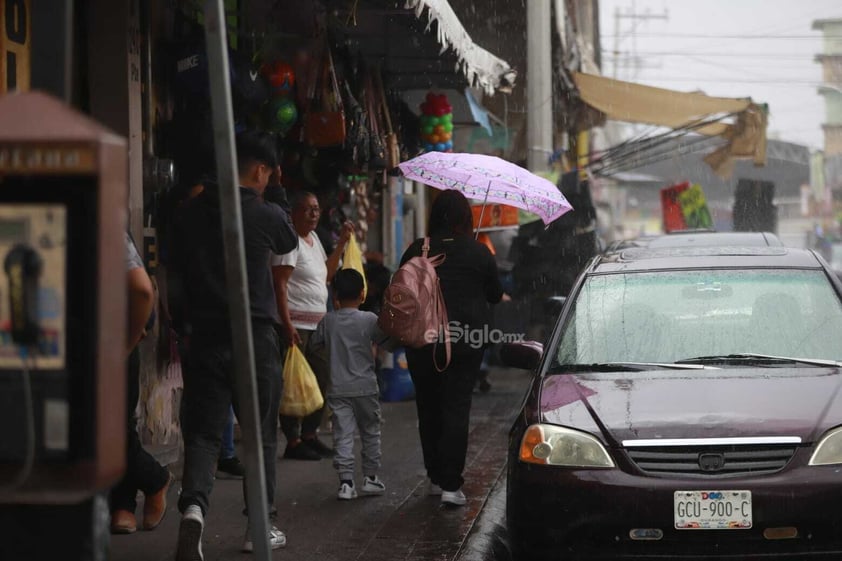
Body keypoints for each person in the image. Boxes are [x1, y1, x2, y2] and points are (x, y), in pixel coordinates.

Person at [171, 130, 298, 559]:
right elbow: (289, 240)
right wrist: (278, 191)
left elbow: (169, 276)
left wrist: (180, 326)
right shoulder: (264, 214)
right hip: (255, 337)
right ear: (260, 170)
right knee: (260, 435)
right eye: (267, 175)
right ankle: (258, 528)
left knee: (204, 435)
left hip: (204, 336)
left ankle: (192, 510)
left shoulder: (188, 213)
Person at [399, 190, 504, 507]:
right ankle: (450, 484)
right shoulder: (480, 253)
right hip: (465, 343)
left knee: (428, 407)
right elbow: (496, 295)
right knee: (456, 408)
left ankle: (434, 477)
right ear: (465, 218)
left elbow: (401, 288)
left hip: (421, 341)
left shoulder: (419, 249)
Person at [272, 191, 354, 461]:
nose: (313, 214)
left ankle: (309, 434)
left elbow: (327, 275)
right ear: (293, 213)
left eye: (316, 209)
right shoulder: (289, 241)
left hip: (318, 323)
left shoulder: (314, 239)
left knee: (322, 379)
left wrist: (341, 243)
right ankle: (293, 441)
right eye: (307, 209)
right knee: (295, 383)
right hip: (296, 325)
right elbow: (280, 284)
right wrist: (286, 324)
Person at [110, 232, 173, 534]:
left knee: (109, 430)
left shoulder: (102, 218)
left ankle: (152, 480)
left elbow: (141, 289)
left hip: (106, 345)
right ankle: (122, 503)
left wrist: (129, 340)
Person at [311, 269, 387, 500]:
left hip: (338, 389)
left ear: (334, 295)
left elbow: (314, 345)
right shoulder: (369, 319)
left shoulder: (328, 321)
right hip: (365, 387)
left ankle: (346, 483)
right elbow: (387, 340)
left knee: (342, 435)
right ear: (363, 294)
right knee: (370, 432)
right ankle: (371, 478)